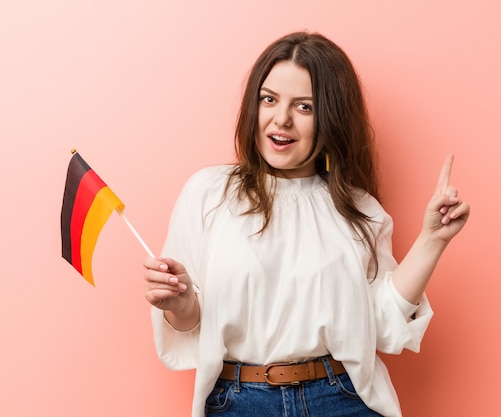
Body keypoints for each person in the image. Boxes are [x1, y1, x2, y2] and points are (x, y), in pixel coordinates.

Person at [143, 31, 470, 417]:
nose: (281, 119)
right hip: (239, 402)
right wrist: (180, 304)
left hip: (341, 399)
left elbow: (382, 325)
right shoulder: (209, 194)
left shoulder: (358, 209)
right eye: (269, 100)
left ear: (330, 117)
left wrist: (433, 239)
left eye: (304, 107)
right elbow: (190, 324)